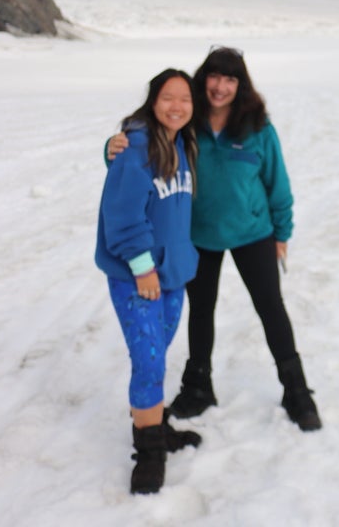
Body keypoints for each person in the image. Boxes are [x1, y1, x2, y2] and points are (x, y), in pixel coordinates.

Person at [107, 46, 322, 432]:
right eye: (215, 77)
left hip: (252, 232)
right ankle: (198, 387)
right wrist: (112, 149)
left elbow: (278, 183)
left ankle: (297, 391)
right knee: (200, 311)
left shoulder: (258, 127)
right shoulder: (187, 121)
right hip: (198, 236)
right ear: (202, 78)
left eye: (230, 79)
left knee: (271, 307)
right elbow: (144, 152)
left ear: (240, 85)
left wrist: (282, 231)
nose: (221, 87)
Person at [95, 68, 203, 496]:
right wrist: (143, 267)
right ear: (152, 101)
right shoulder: (136, 147)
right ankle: (149, 453)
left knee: (157, 359)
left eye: (185, 99)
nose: (176, 106)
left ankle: (155, 428)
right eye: (167, 98)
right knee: (150, 363)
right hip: (138, 277)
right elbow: (121, 216)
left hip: (172, 275)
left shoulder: (183, 144)